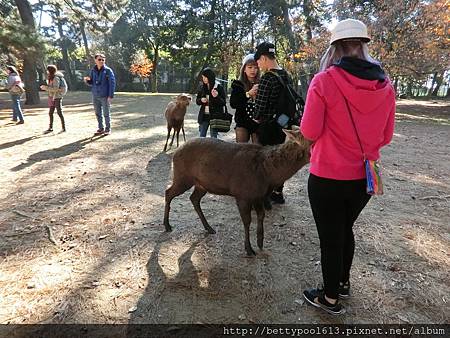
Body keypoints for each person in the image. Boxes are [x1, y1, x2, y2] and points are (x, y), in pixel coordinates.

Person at [300, 19, 395, 315]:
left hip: (327, 176)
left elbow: (310, 131)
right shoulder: (385, 84)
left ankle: (329, 299)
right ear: (364, 45)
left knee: (331, 238)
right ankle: (342, 282)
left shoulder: (324, 81)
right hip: (364, 177)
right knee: (345, 229)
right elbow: (386, 136)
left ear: (335, 47)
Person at [254, 42, 294, 205]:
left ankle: (264, 194)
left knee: (265, 160)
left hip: (268, 126)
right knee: (279, 159)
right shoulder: (286, 75)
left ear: (263, 58)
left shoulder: (267, 78)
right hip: (283, 123)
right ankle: (278, 192)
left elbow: (260, 109)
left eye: (258, 62)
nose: (258, 65)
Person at [230, 54, 260, 143]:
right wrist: (248, 94)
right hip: (242, 121)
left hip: (257, 121)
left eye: (255, 67)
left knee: (258, 150)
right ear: (244, 69)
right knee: (241, 150)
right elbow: (233, 104)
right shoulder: (238, 84)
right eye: (250, 67)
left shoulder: (262, 83)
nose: (253, 70)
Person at [83, 53, 116, 135]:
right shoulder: (93, 70)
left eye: (103, 60)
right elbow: (91, 82)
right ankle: (100, 128)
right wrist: (87, 80)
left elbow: (112, 83)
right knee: (98, 113)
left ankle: (107, 129)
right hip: (95, 95)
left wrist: (110, 96)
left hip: (105, 95)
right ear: (95, 60)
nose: (101, 61)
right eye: (99, 59)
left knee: (106, 113)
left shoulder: (108, 70)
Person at [196, 68, 226, 138]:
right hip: (204, 116)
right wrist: (201, 100)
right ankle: (202, 149)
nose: (204, 79)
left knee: (214, 137)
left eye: (205, 77)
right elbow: (197, 101)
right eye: (203, 77)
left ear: (210, 77)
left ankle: (214, 149)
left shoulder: (218, 87)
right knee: (202, 136)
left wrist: (216, 97)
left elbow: (223, 102)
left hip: (214, 116)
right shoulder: (202, 87)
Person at [40, 65, 67, 133]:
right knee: (50, 112)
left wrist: (45, 88)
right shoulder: (51, 77)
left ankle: (63, 128)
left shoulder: (56, 78)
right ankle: (50, 127)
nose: (47, 72)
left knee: (59, 112)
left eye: (47, 70)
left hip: (57, 97)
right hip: (52, 96)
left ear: (50, 71)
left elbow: (55, 89)